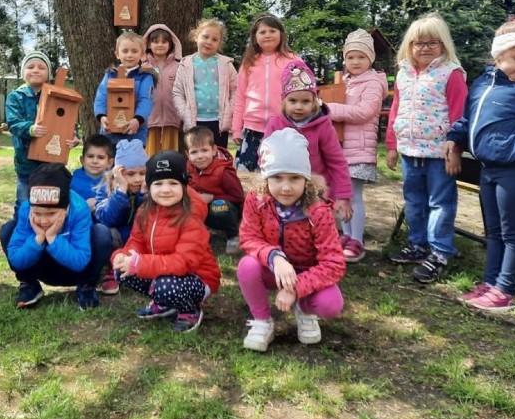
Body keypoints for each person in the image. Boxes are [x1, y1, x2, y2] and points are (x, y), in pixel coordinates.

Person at [445, 20, 515, 312]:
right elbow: (468, 118)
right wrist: (454, 139)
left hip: (514, 170)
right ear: (498, 57)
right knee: (493, 232)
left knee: (512, 233)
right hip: (488, 168)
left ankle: (505, 290)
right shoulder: (483, 83)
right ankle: (489, 283)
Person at [238, 129, 346, 352]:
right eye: (277, 178)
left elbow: (334, 263)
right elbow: (249, 238)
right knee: (247, 266)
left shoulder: (318, 210)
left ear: (306, 180)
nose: (286, 187)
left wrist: (296, 288)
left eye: (294, 178)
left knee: (331, 305)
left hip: (308, 272)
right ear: (266, 177)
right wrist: (274, 257)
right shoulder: (256, 200)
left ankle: (305, 309)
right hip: (273, 269)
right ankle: (262, 321)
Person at [386, 12, 468, 284]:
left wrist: (455, 148)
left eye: (432, 43)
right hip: (410, 150)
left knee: (440, 203)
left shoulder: (451, 73)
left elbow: (459, 114)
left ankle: (440, 251)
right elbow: (396, 110)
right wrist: (391, 145)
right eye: (417, 43)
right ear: (409, 45)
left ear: (443, 44)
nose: (424, 48)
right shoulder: (403, 73)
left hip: (439, 153)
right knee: (414, 200)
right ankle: (418, 244)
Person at [111, 151, 221, 333]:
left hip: (197, 277)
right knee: (122, 271)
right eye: (158, 183)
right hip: (162, 271)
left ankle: (189, 310)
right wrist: (123, 256)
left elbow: (183, 262)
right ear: (149, 186)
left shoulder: (191, 217)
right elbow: (135, 241)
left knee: (166, 286)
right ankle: (164, 303)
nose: (165, 189)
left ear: (184, 186)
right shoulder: (145, 212)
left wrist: (139, 263)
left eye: (173, 183)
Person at [1, 163, 112, 311]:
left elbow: (80, 261)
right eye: (38, 213)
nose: (43, 220)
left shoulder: (79, 209)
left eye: (51, 214)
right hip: (40, 265)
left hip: (75, 270)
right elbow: (15, 258)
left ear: (65, 208)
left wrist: (53, 237)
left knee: (102, 234)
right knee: (8, 230)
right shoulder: (26, 209)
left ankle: (86, 286)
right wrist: (38, 238)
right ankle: (29, 285)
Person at [326, 29, 389, 263]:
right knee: (342, 194)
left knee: (354, 195)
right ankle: (346, 235)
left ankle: (358, 240)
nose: (355, 62)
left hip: (359, 150)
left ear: (370, 59)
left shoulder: (372, 83)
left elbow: (364, 112)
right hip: (342, 149)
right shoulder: (347, 82)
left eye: (361, 57)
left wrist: (329, 108)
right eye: (351, 57)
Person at [264, 59, 353, 220]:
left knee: (315, 231)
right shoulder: (275, 124)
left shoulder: (323, 127)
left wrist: (343, 195)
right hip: (284, 189)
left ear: (314, 102)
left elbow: (337, 161)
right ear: (284, 101)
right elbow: (265, 158)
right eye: (293, 101)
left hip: (315, 192)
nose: (299, 106)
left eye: (305, 101)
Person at [232, 14, 299, 171]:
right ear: (255, 38)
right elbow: (240, 97)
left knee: (276, 172)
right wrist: (236, 129)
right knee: (246, 175)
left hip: (282, 127)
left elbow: (303, 94)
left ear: (281, 34)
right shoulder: (248, 63)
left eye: (272, 30)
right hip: (252, 129)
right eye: (262, 32)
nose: (267, 35)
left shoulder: (293, 61)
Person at [172, 18, 238, 149]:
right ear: (196, 37)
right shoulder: (186, 64)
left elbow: (236, 90)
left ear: (219, 43)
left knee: (219, 159)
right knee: (198, 158)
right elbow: (177, 92)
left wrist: (230, 110)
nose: (209, 42)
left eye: (214, 39)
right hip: (195, 121)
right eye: (205, 37)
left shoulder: (226, 64)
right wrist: (185, 113)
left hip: (219, 122)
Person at [94, 139, 148, 294]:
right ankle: (112, 269)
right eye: (130, 174)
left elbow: (148, 220)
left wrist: (143, 196)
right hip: (116, 238)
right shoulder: (106, 189)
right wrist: (121, 192)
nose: (137, 179)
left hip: (137, 239)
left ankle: (140, 266)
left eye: (142, 173)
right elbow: (106, 219)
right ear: (118, 173)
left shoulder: (149, 189)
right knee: (108, 232)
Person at [184, 126, 244, 255]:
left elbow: (238, 197)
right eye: (194, 152)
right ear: (187, 154)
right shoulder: (189, 169)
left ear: (214, 150)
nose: (200, 156)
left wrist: (212, 198)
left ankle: (232, 236)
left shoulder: (223, 171)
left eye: (204, 150)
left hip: (224, 209)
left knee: (219, 207)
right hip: (201, 208)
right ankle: (194, 235)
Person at [5, 51, 52, 211]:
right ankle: (21, 232)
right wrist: (30, 129)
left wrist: (72, 137)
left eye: (41, 67)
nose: (36, 70)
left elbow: (65, 121)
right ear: (23, 72)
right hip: (25, 161)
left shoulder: (56, 96)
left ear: (48, 73)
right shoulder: (16, 96)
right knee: (24, 202)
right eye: (30, 67)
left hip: (50, 162)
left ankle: (45, 232)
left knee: (48, 201)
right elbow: (13, 122)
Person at [94, 31, 155, 146]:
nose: (129, 55)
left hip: (135, 134)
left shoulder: (145, 77)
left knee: (132, 164)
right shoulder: (110, 75)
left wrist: (137, 120)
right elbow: (101, 97)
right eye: (125, 51)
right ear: (117, 54)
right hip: (109, 134)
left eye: (134, 51)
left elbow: (146, 100)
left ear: (142, 54)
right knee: (108, 163)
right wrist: (102, 116)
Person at [141, 24, 182, 155]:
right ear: (148, 44)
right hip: (150, 120)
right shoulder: (143, 68)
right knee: (150, 156)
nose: (160, 45)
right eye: (155, 41)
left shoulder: (179, 67)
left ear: (171, 44)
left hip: (172, 119)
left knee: (171, 156)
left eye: (164, 41)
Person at [70, 134, 115, 212]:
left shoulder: (113, 181)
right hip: (81, 222)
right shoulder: (72, 181)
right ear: (82, 160)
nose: (95, 161)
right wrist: (84, 206)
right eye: (90, 156)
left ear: (110, 163)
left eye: (100, 157)